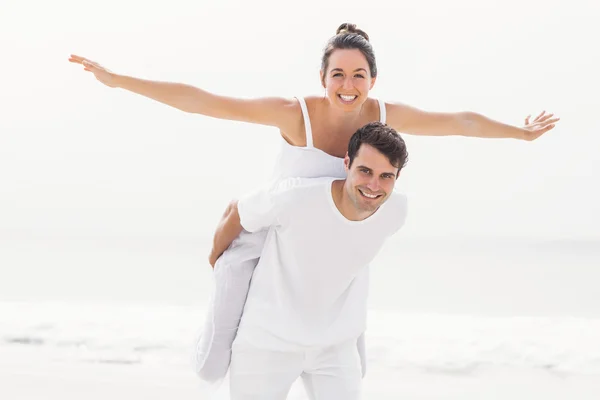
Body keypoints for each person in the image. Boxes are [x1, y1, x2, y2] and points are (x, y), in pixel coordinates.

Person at [68, 22, 560, 383]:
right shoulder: (295, 114)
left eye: (360, 75)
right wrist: (119, 80)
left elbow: (460, 121)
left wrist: (519, 134)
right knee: (214, 359)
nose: (349, 86)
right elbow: (204, 100)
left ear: (373, 80)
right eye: (339, 74)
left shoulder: (383, 116)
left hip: (334, 260)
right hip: (271, 243)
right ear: (322, 76)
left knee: (349, 359)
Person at [215, 121, 408, 399]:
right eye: (365, 171)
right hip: (268, 341)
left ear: (397, 176)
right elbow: (239, 211)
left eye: (386, 176)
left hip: (335, 346)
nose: (374, 185)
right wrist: (216, 260)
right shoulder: (295, 197)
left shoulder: (396, 211)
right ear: (346, 163)